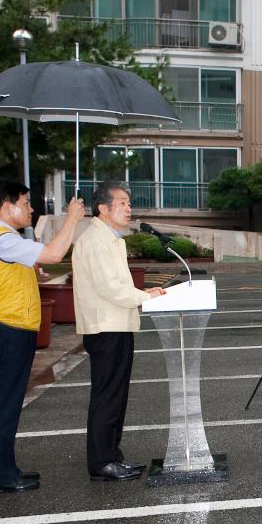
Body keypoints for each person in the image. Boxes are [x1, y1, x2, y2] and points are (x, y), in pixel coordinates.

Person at [0, 181, 85, 494]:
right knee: (2, 407)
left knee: (5, 405)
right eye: (26, 201)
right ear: (8, 206)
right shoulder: (2, 239)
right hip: (8, 330)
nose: (31, 208)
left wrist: (28, 270)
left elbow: (9, 272)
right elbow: (53, 252)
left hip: (7, 329)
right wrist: (73, 218)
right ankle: (0, 477)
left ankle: (6, 470)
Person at [72, 181, 167, 481]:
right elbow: (109, 287)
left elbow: (119, 285)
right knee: (107, 396)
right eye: (122, 203)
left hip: (117, 324)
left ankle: (112, 457)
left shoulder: (112, 239)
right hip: (105, 327)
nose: (129, 208)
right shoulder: (95, 240)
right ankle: (101, 463)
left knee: (117, 395)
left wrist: (142, 291)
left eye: (129, 203)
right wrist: (144, 298)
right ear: (103, 208)